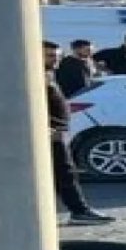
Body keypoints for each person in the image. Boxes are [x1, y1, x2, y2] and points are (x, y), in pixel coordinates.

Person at [44, 42, 115, 226]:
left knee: (63, 173)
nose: (55, 60)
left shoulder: (49, 74)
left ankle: (78, 210)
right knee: (64, 173)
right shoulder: (34, 77)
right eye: (50, 56)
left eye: (57, 56)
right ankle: (79, 211)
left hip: (56, 131)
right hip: (49, 133)